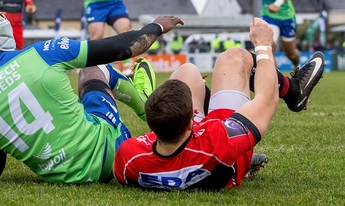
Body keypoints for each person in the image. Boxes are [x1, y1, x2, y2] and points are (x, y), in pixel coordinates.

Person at [0, 7, 184, 183]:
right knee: (92, 69)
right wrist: (156, 26)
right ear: (8, 34)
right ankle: (145, 108)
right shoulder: (43, 52)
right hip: (112, 152)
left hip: (62, 178)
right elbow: (123, 48)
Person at [114, 18, 325, 191]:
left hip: (186, 147)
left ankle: (206, 95)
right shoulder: (220, 140)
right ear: (192, 121)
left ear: (153, 127)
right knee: (233, 58)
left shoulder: (129, 155)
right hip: (220, 153)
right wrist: (263, 46)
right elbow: (267, 99)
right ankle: (294, 91)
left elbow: (126, 171)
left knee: (187, 71)